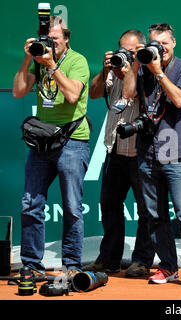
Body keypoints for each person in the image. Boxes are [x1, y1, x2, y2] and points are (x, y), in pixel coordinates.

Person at [122, 23, 181, 289]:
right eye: (155, 43)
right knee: (154, 215)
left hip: (176, 152)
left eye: (164, 43)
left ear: (174, 42)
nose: (160, 48)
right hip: (147, 152)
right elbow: (127, 94)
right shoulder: (144, 66)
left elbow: (180, 100)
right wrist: (136, 65)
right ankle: (168, 266)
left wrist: (158, 73)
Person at [13, 15, 90, 277]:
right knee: (30, 203)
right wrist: (28, 59)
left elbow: (71, 95)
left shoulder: (77, 61)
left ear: (66, 39)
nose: (50, 44)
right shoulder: (38, 60)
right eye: (46, 39)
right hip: (42, 143)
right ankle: (32, 265)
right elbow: (18, 91)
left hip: (72, 141)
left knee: (71, 207)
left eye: (55, 40)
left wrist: (52, 65)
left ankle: (72, 265)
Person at [84, 29, 155, 277]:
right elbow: (93, 93)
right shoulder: (113, 71)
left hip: (140, 151)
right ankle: (109, 258)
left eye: (132, 51)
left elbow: (133, 94)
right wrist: (106, 71)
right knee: (110, 206)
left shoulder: (147, 72)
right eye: (122, 49)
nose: (125, 55)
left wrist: (129, 71)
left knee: (146, 210)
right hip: (115, 149)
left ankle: (142, 260)